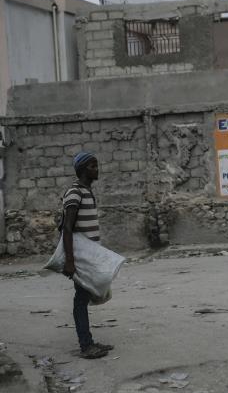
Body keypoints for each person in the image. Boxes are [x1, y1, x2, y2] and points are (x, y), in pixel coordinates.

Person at [61, 152, 114, 359]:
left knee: (85, 297)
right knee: (81, 298)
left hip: (89, 255)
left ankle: (88, 341)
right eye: (93, 166)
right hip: (80, 257)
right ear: (83, 169)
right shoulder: (75, 192)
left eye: (97, 165)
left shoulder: (86, 191)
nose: (97, 169)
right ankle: (86, 345)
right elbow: (67, 227)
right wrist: (70, 261)